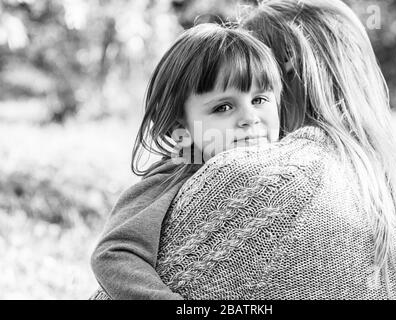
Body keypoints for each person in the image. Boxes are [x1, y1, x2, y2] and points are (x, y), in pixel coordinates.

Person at [152, 0, 396, 299]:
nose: (249, 118)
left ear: (285, 69)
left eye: (257, 94)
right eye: (223, 104)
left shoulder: (257, 178)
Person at [90, 23, 283, 299]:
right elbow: (113, 254)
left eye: (260, 99)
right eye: (223, 107)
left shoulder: (289, 167)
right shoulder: (176, 173)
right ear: (182, 122)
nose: (250, 117)